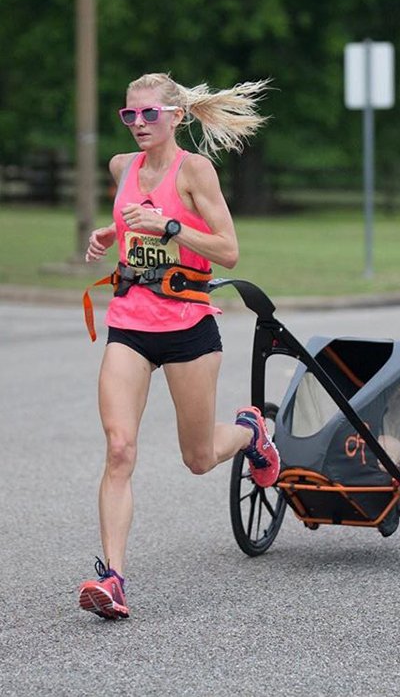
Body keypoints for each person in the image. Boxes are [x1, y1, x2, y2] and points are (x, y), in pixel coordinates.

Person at [78, 72, 280, 620]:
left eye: (150, 115)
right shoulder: (122, 167)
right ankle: (113, 580)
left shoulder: (196, 171)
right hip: (130, 323)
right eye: (130, 115)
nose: (139, 124)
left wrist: (168, 226)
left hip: (189, 326)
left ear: (176, 117)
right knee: (120, 449)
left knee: (197, 458)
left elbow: (228, 251)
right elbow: (132, 220)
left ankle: (251, 431)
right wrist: (111, 233)